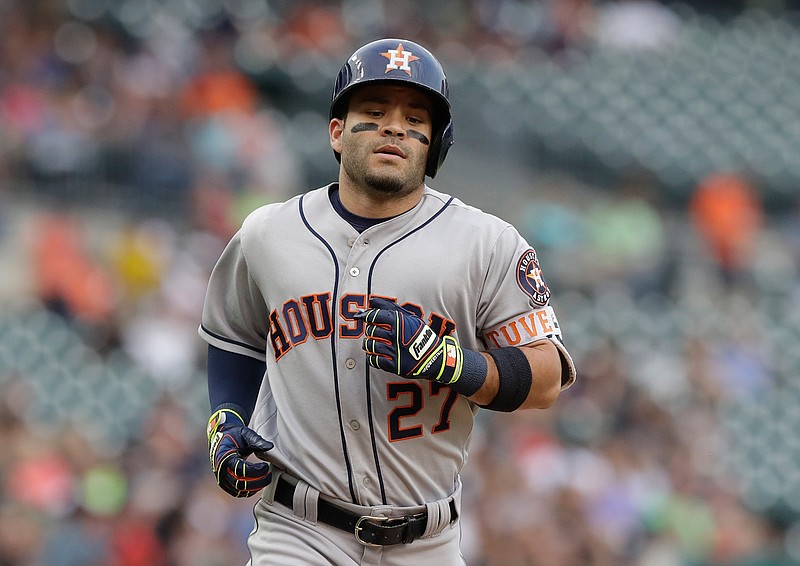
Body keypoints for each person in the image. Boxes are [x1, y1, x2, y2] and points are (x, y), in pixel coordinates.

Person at [199, 38, 577, 565]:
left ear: (434, 143)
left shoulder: (487, 244)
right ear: (336, 131)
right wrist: (227, 419)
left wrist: (450, 362)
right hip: (298, 531)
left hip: (427, 540)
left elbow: (546, 378)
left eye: (414, 116)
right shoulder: (268, 234)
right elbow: (233, 337)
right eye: (374, 111)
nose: (395, 127)